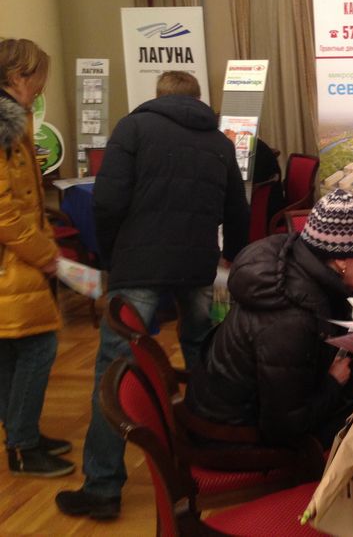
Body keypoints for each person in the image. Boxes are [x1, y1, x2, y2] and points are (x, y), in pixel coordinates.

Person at [56, 70, 249, 520]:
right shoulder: (219, 142)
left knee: (116, 368)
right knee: (203, 354)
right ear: (198, 99)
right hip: (199, 265)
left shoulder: (132, 128)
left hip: (139, 265)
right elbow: (236, 211)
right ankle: (206, 451)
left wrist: (112, 255)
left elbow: (107, 201)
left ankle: (103, 486)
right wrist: (232, 258)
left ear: (158, 95)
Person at [185, 188, 353, 449]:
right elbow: (284, 427)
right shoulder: (290, 321)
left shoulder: (299, 262)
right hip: (230, 436)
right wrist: (333, 383)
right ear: (342, 260)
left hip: (235, 408)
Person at [0, 38, 74, 478]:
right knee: (37, 348)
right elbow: (5, 213)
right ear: (17, 77)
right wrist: (45, 254)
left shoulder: (14, 121)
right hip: (13, 262)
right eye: (38, 79)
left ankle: (20, 435)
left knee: (13, 351)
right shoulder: (5, 128)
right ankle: (23, 446)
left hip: (16, 260)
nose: (42, 88)